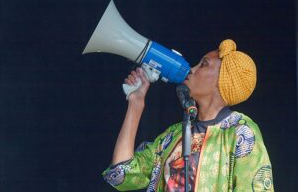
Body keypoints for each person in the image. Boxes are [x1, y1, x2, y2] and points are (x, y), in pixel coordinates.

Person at [102, 39, 274, 191]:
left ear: (223, 79)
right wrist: (136, 103)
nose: (192, 69)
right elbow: (121, 174)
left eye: (203, 64)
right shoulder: (174, 135)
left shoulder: (240, 132)